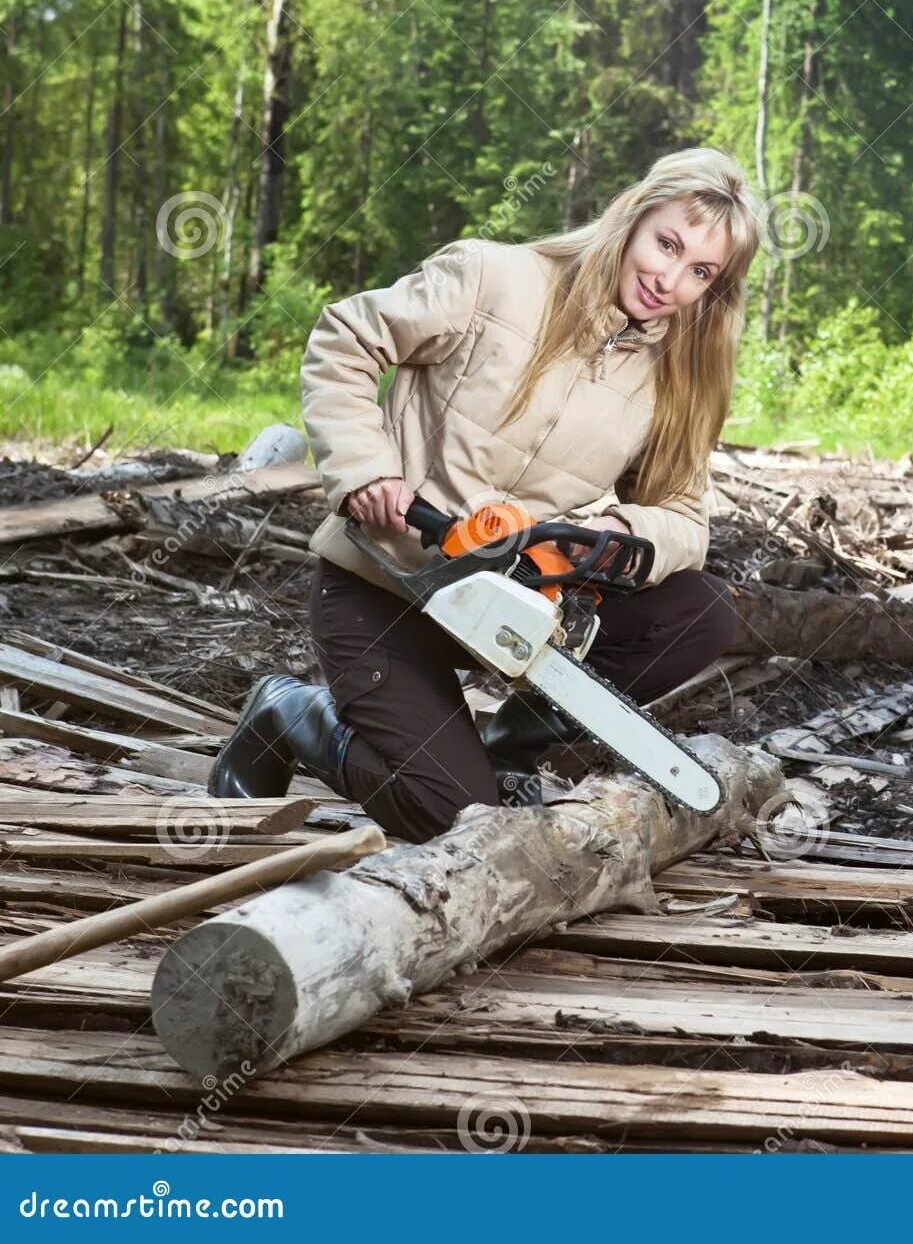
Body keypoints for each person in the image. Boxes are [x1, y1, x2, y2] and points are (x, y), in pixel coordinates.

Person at [209, 147, 762, 842]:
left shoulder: (674, 375)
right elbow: (346, 338)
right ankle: (290, 712)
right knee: (453, 819)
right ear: (633, 217)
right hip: (387, 586)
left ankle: (509, 753)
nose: (669, 278)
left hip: (517, 607)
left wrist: (615, 536)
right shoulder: (494, 277)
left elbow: (684, 517)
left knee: (699, 611)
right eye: (667, 244)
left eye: (700, 271)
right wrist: (365, 468)